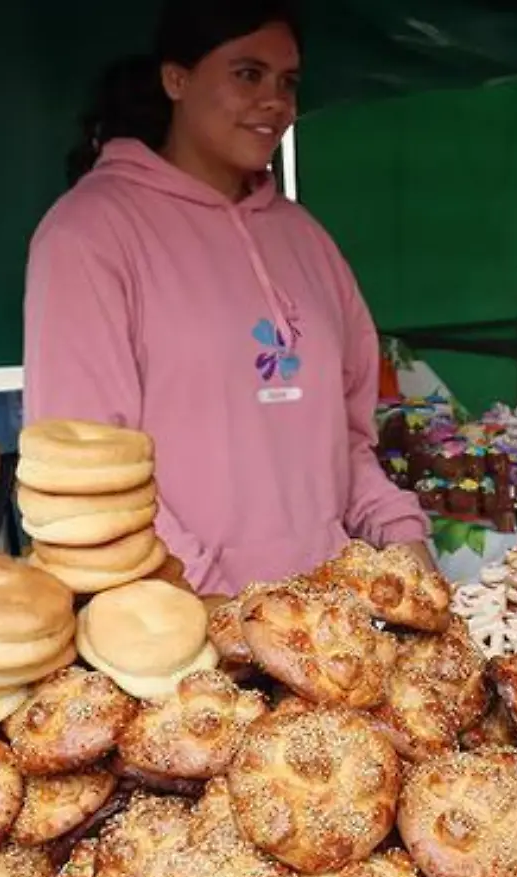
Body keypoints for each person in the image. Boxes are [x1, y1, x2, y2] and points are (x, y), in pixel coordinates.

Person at [22, 1, 432, 597]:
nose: (276, 101)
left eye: (287, 82)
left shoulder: (306, 241)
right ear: (176, 79)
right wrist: (217, 602)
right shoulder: (89, 234)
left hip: (322, 628)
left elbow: (345, 443)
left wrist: (400, 535)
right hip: (177, 632)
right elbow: (86, 479)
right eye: (248, 74)